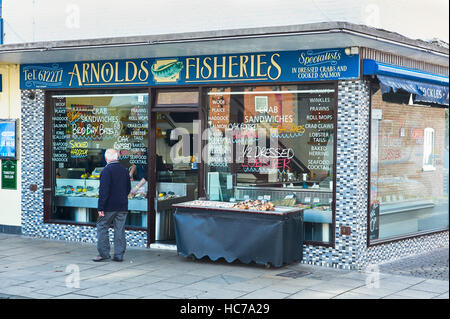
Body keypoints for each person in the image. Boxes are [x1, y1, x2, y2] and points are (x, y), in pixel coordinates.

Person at [93, 149, 131, 262]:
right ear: (117, 157)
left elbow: (104, 191)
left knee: (102, 226)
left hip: (109, 206)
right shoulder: (124, 170)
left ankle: (104, 253)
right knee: (119, 229)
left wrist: (100, 207)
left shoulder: (106, 170)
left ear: (106, 159)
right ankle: (119, 255)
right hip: (122, 205)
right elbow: (128, 188)